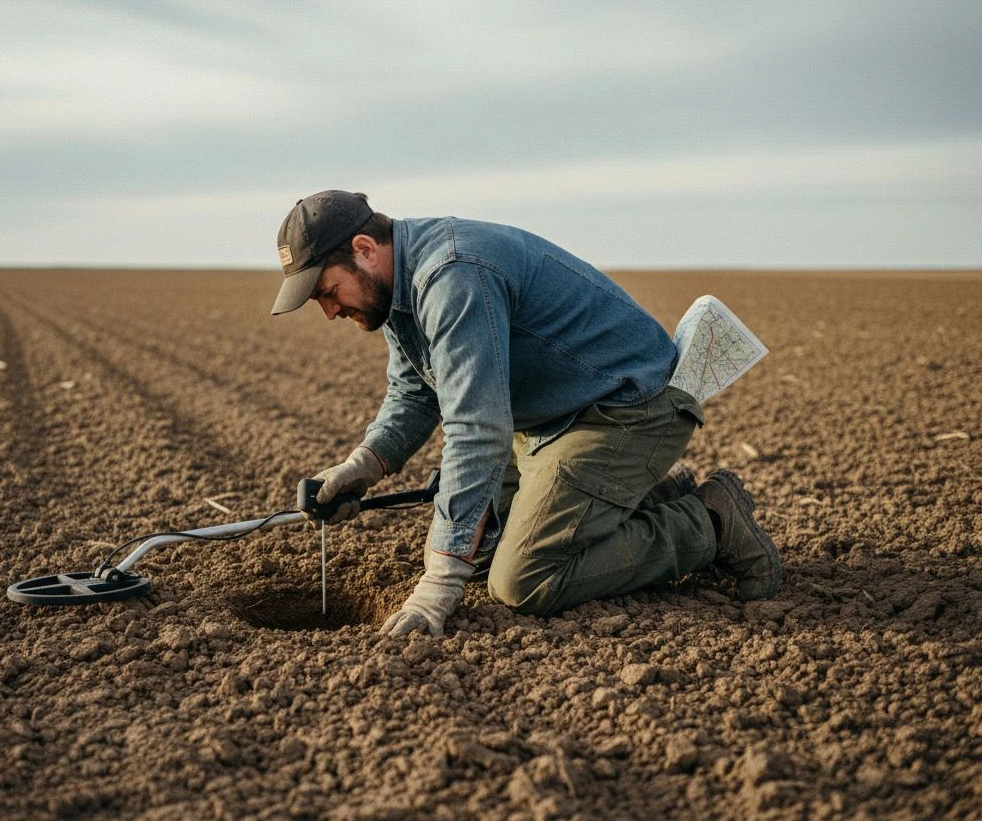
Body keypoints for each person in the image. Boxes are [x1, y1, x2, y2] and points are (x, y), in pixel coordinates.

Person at [271, 190, 783, 637]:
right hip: (556, 422)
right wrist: (364, 464)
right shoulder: (397, 290)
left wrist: (437, 583)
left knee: (522, 578)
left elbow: (476, 430)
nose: (331, 312)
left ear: (364, 251)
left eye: (328, 292)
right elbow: (413, 391)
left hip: (625, 411)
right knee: (482, 550)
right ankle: (653, 493)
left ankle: (709, 521)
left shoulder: (450, 277)